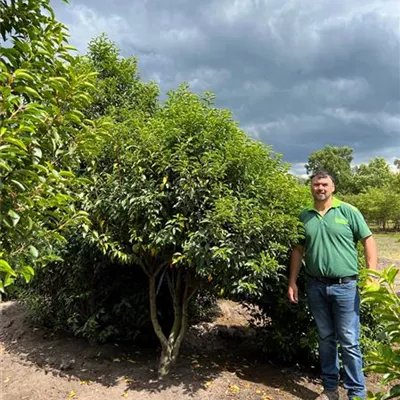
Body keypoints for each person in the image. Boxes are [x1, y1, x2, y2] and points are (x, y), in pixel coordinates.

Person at [288, 170, 377, 400]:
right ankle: (330, 390)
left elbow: (368, 240)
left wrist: (372, 274)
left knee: (348, 340)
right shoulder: (304, 216)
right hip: (315, 286)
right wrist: (292, 282)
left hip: (345, 287)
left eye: (324, 184)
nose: (320, 188)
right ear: (311, 188)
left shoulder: (347, 211)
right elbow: (298, 250)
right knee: (326, 338)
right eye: (316, 184)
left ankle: (357, 394)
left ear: (333, 187)